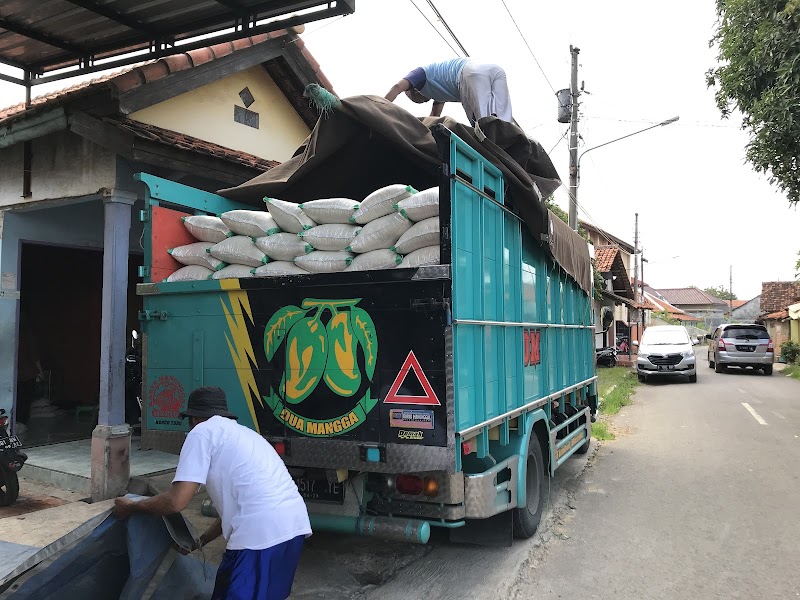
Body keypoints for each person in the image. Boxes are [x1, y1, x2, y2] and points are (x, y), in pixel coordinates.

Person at [113, 386, 311, 599]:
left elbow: (176, 501)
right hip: (294, 526)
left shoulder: (201, 432)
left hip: (259, 534)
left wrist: (133, 507)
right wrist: (202, 540)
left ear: (193, 419)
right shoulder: (245, 434)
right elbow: (236, 508)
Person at [385, 58, 513, 125]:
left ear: (411, 90)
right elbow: (433, 118)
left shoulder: (419, 74)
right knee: (504, 121)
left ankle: (495, 157)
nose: (424, 101)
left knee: (483, 124)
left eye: (419, 101)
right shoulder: (438, 91)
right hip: (494, 69)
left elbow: (397, 87)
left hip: (469, 73)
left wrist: (380, 105)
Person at [16, 308, 43, 436]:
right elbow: (34, 356)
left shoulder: (15, 334)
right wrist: (41, 371)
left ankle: (16, 422)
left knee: (18, 398)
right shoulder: (28, 335)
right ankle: (22, 423)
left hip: (16, 375)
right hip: (28, 374)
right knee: (26, 400)